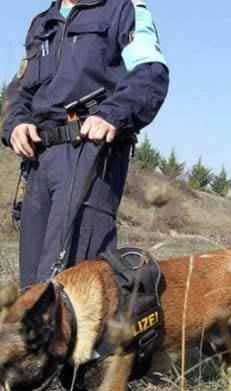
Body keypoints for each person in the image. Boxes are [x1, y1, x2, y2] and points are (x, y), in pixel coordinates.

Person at [2, 0, 169, 289]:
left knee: (73, 285)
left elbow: (151, 73)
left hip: (90, 153)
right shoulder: (43, 22)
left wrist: (112, 114)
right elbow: (20, 90)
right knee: (32, 290)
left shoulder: (123, 9)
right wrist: (15, 124)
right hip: (39, 160)